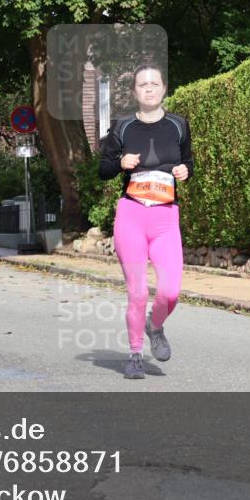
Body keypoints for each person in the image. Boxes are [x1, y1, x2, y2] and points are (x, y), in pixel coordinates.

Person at [98, 64, 194, 379]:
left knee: (171, 292)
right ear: (134, 92)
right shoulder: (122, 126)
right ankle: (135, 354)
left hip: (166, 217)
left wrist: (185, 171)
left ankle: (156, 325)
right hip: (131, 215)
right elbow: (103, 168)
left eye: (154, 83)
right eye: (143, 85)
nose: (149, 89)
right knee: (137, 292)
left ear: (164, 88)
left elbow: (188, 161)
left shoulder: (179, 125)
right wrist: (119, 162)